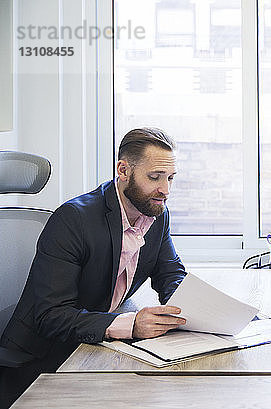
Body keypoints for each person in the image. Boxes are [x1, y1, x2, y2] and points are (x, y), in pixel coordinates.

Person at [0, 128, 187, 408]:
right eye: (155, 177)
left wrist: (198, 310)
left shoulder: (155, 212)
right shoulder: (73, 220)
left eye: (170, 178)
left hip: (96, 347)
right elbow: (51, 316)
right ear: (123, 170)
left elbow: (170, 273)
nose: (165, 190)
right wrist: (132, 325)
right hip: (42, 362)